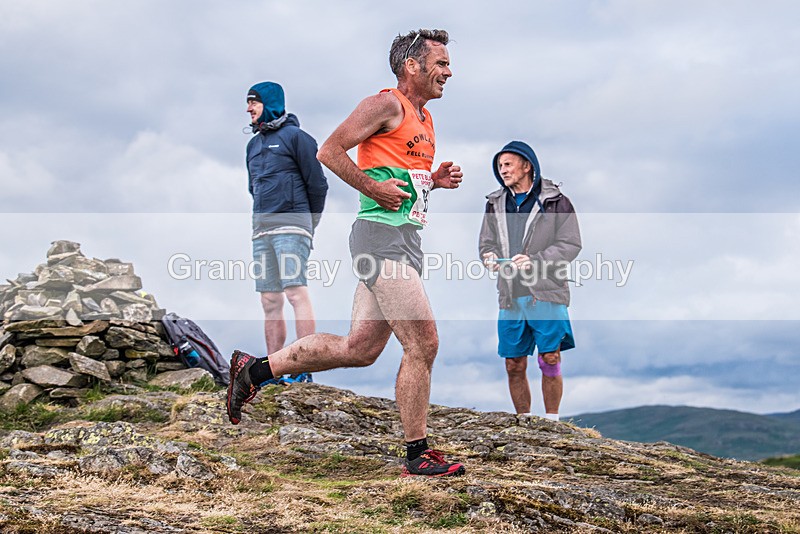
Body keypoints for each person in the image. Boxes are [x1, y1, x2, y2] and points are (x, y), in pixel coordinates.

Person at [228, 30, 466, 478]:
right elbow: (328, 151)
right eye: (441, 63)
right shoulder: (385, 104)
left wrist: (434, 179)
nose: (449, 72)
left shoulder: (425, 118)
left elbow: (402, 177)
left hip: (406, 237)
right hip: (379, 238)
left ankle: (253, 371)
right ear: (411, 66)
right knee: (423, 342)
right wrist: (373, 188)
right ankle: (418, 454)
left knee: (359, 349)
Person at [478, 141, 581, 421]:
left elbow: (571, 244)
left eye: (508, 164)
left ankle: (552, 420)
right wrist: (488, 256)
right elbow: (485, 243)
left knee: (550, 358)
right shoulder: (494, 203)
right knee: (513, 363)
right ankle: (524, 421)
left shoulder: (557, 201)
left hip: (546, 292)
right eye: (499, 166)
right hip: (510, 294)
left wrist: (535, 259)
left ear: (527, 166)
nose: (502, 170)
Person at [245, 81, 328, 384]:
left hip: (293, 225)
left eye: (253, 102)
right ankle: (273, 370)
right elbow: (252, 188)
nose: (248, 108)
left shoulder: (297, 138)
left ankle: (304, 365)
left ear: (269, 103)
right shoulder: (252, 146)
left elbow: (318, 185)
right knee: (269, 300)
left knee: (295, 292)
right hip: (261, 230)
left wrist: (309, 223)